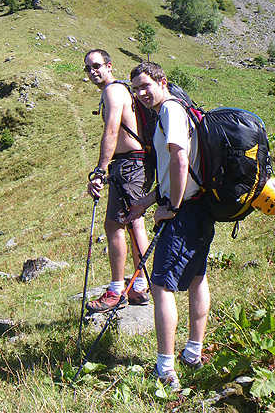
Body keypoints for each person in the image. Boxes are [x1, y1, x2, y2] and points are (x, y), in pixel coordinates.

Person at [125, 61, 215, 390]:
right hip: (199, 207)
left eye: (146, 85)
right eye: (136, 89)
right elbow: (175, 170)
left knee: (161, 285)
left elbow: (179, 159)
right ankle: (193, 352)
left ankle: (166, 368)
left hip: (184, 211)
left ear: (163, 81)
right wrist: (149, 202)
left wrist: (171, 208)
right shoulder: (178, 110)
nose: (142, 93)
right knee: (195, 277)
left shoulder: (170, 111)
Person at [83, 49, 151, 313]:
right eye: (88, 68)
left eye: (96, 66)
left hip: (128, 165)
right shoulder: (122, 90)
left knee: (114, 225)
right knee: (134, 223)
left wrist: (100, 169)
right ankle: (139, 285)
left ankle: (116, 291)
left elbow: (112, 129)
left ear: (109, 66)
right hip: (137, 164)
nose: (92, 72)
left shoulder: (113, 91)